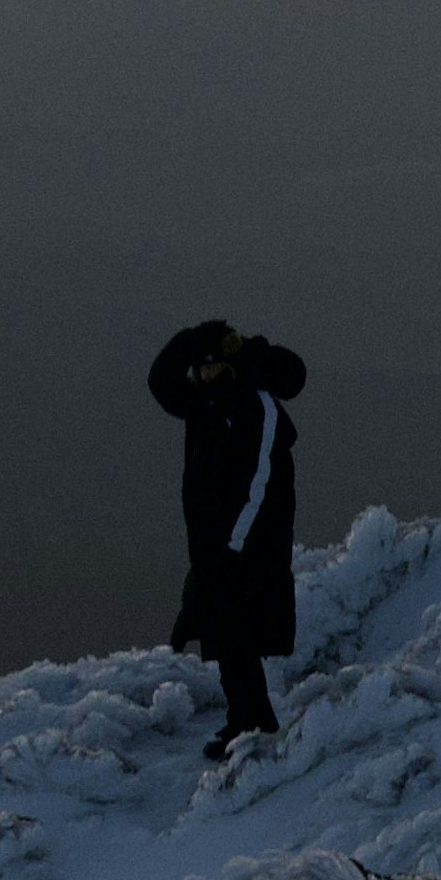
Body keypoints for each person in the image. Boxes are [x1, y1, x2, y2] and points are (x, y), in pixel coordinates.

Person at [148, 313, 307, 750]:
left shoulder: (254, 404)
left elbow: (259, 481)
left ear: (230, 363)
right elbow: (162, 383)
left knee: (239, 632)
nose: (201, 373)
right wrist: (187, 339)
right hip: (215, 543)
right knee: (223, 633)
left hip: (250, 546)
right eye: (198, 367)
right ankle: (246, 720)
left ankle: (253, 725)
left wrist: (232, 545)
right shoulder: (206, 402)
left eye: (210, 363)